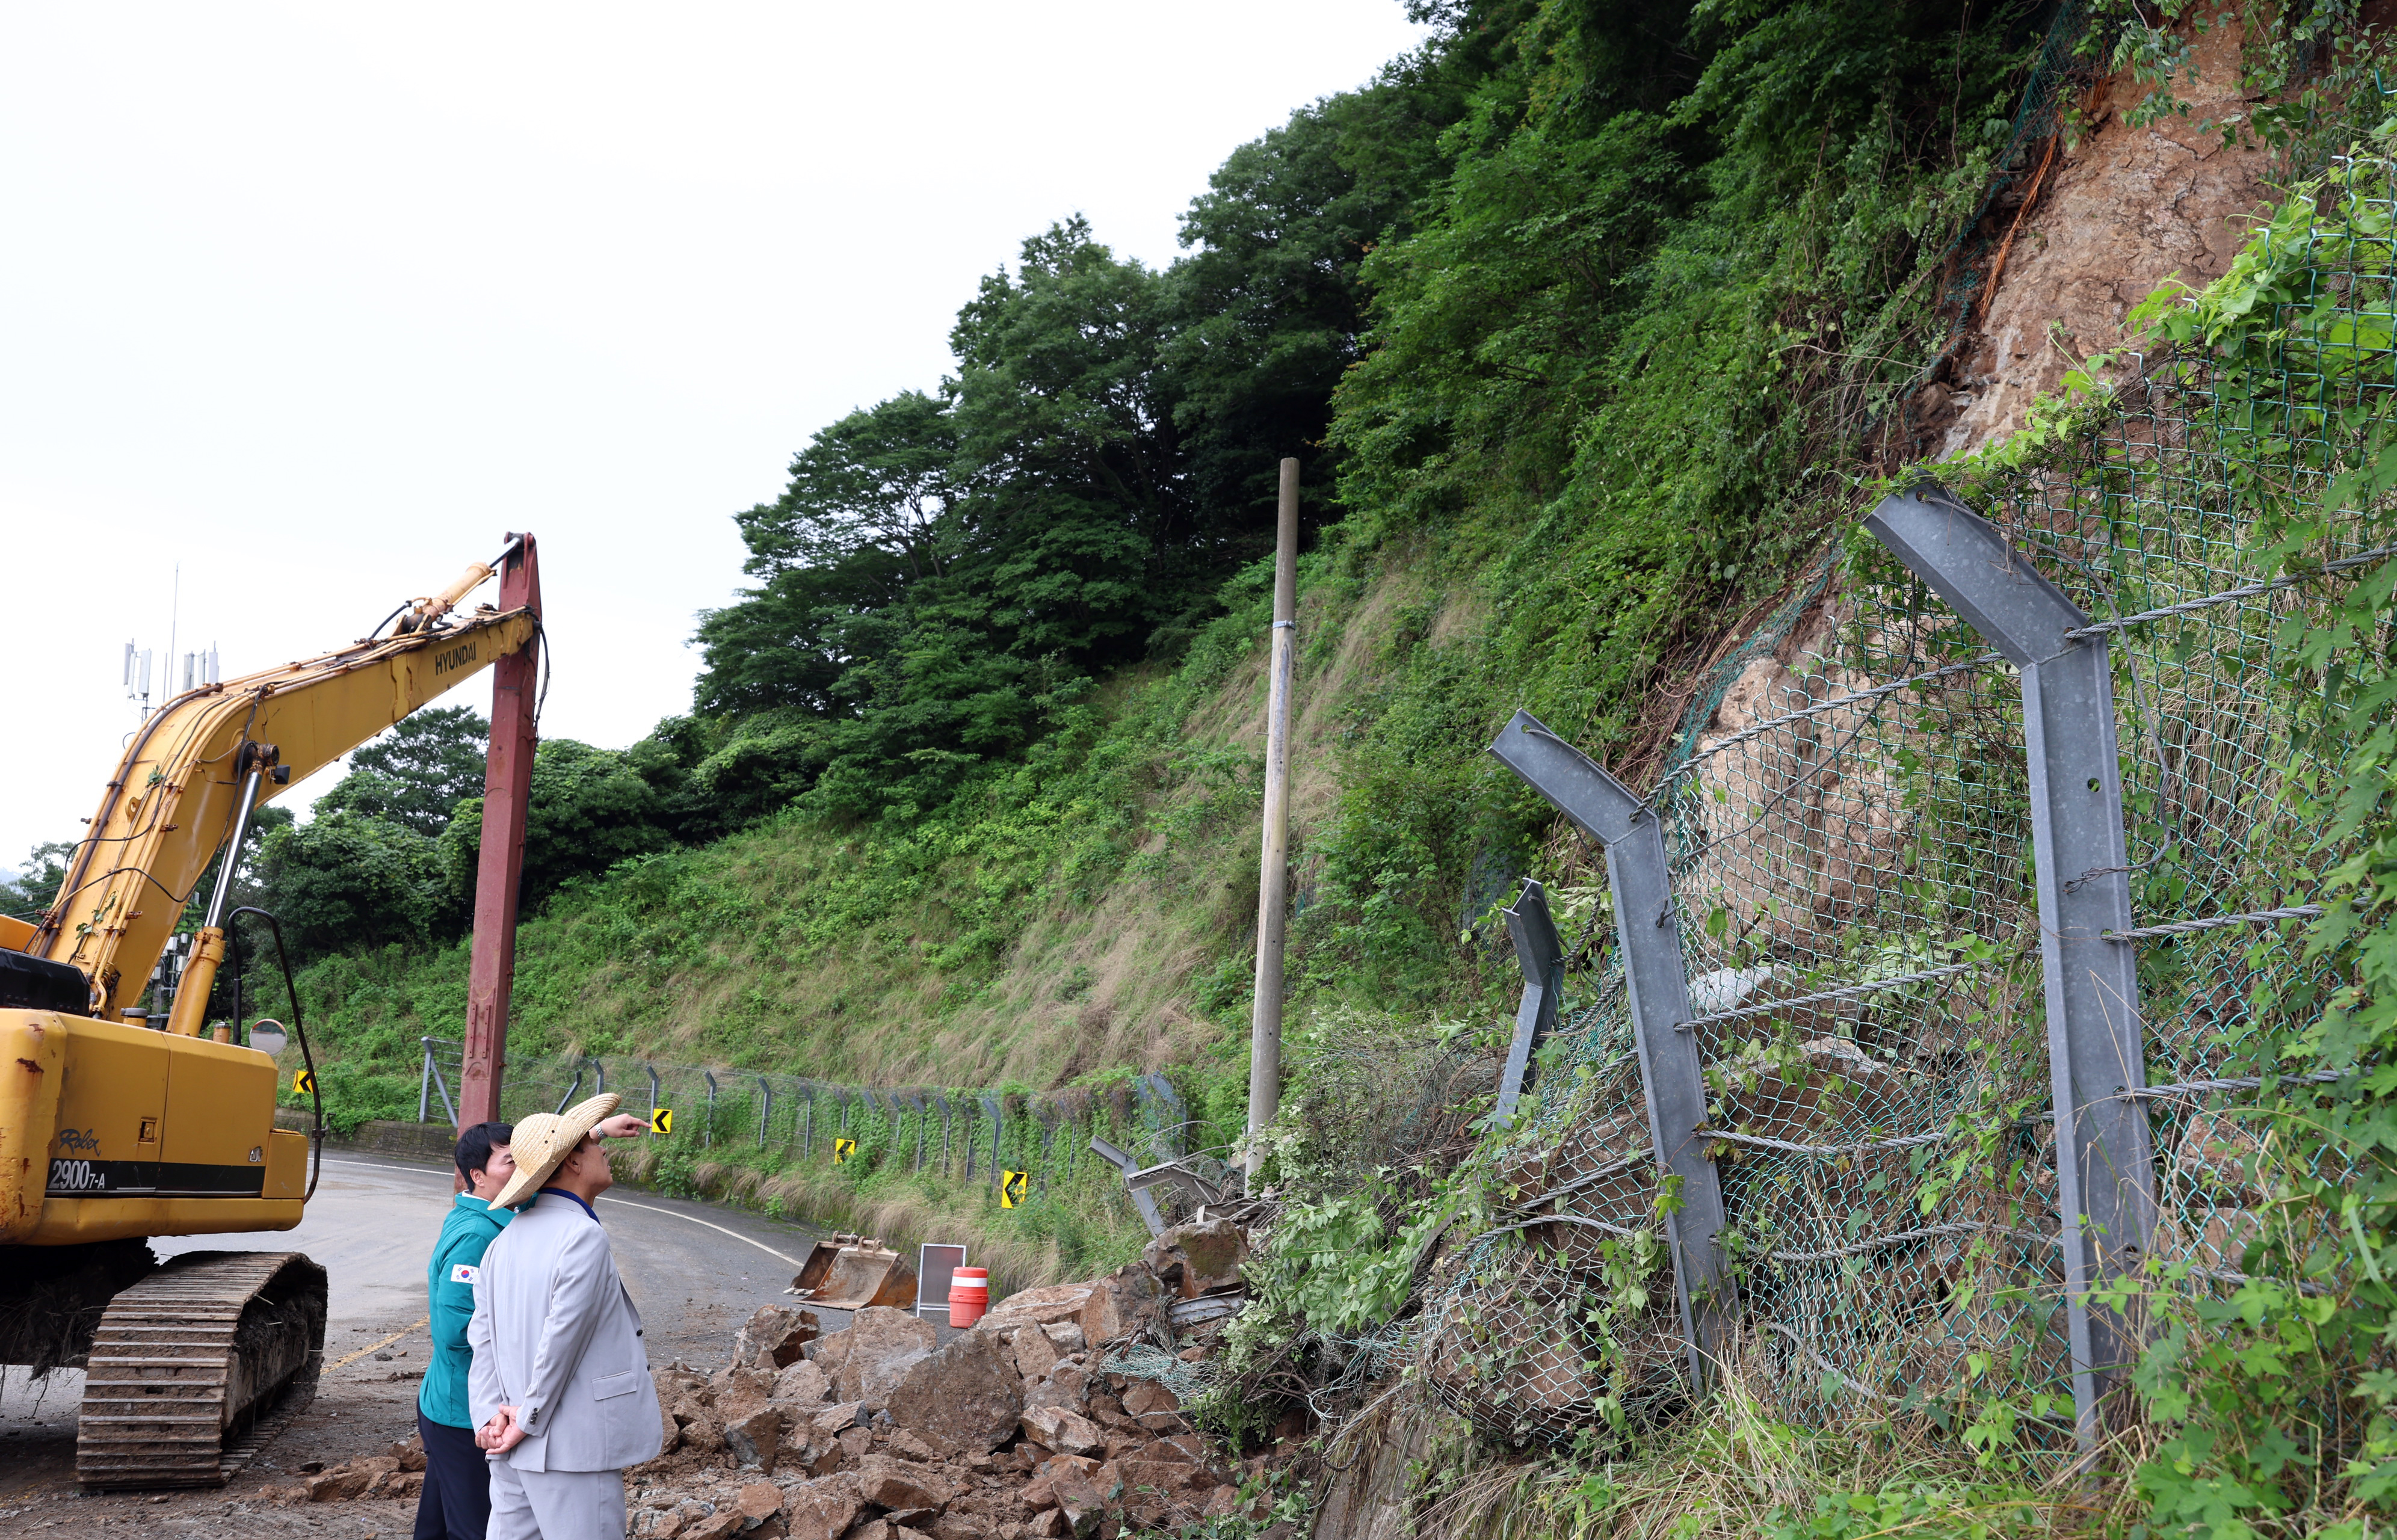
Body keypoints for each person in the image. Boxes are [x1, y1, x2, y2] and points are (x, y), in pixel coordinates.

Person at [416, 1112, 647, 1540]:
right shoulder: (580, 1236)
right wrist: (529, 1417)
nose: (604, 1151)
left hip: (507, 1441)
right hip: (570, 1446)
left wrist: (490, 1417)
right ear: (574, 1163)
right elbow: (563, 1340)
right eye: (593, 1145)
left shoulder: (507, 1238)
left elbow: (481, 1339)